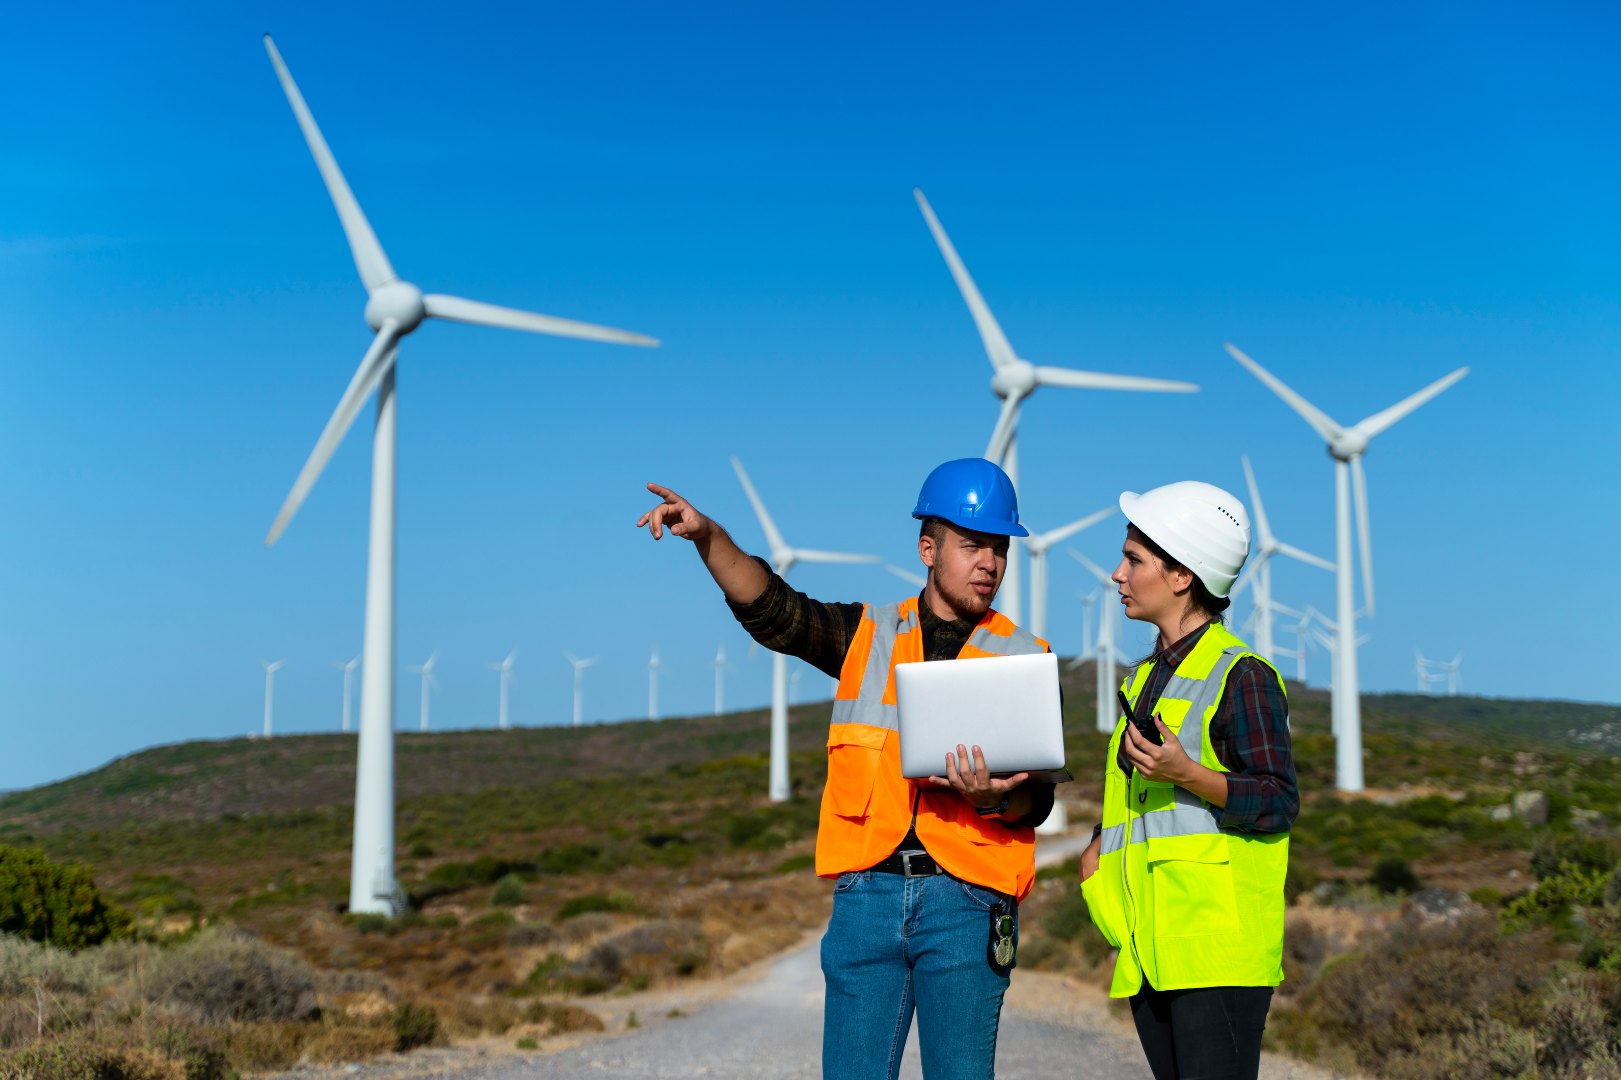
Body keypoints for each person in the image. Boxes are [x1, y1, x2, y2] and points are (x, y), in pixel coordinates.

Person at [637, 458, 1055, 1080]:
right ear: (928, 549)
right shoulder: (867, 634)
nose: (989, 563)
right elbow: (774, 609)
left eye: (998, 548)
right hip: (867, 898)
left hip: (968, 903)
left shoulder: (1026, 657)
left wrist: (992, 799)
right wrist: (708, 536)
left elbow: (1039, 801)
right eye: (972, 546)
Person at [1076, 481, 1298, 1080]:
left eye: (1133, 560)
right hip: (1153, 953)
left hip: (1216, 956)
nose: (1116, 575)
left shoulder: (1241, 676)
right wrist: (1095, 851)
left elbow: (1278, 801)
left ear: (1182, 576)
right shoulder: (1144, 679)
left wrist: (1189, 774)